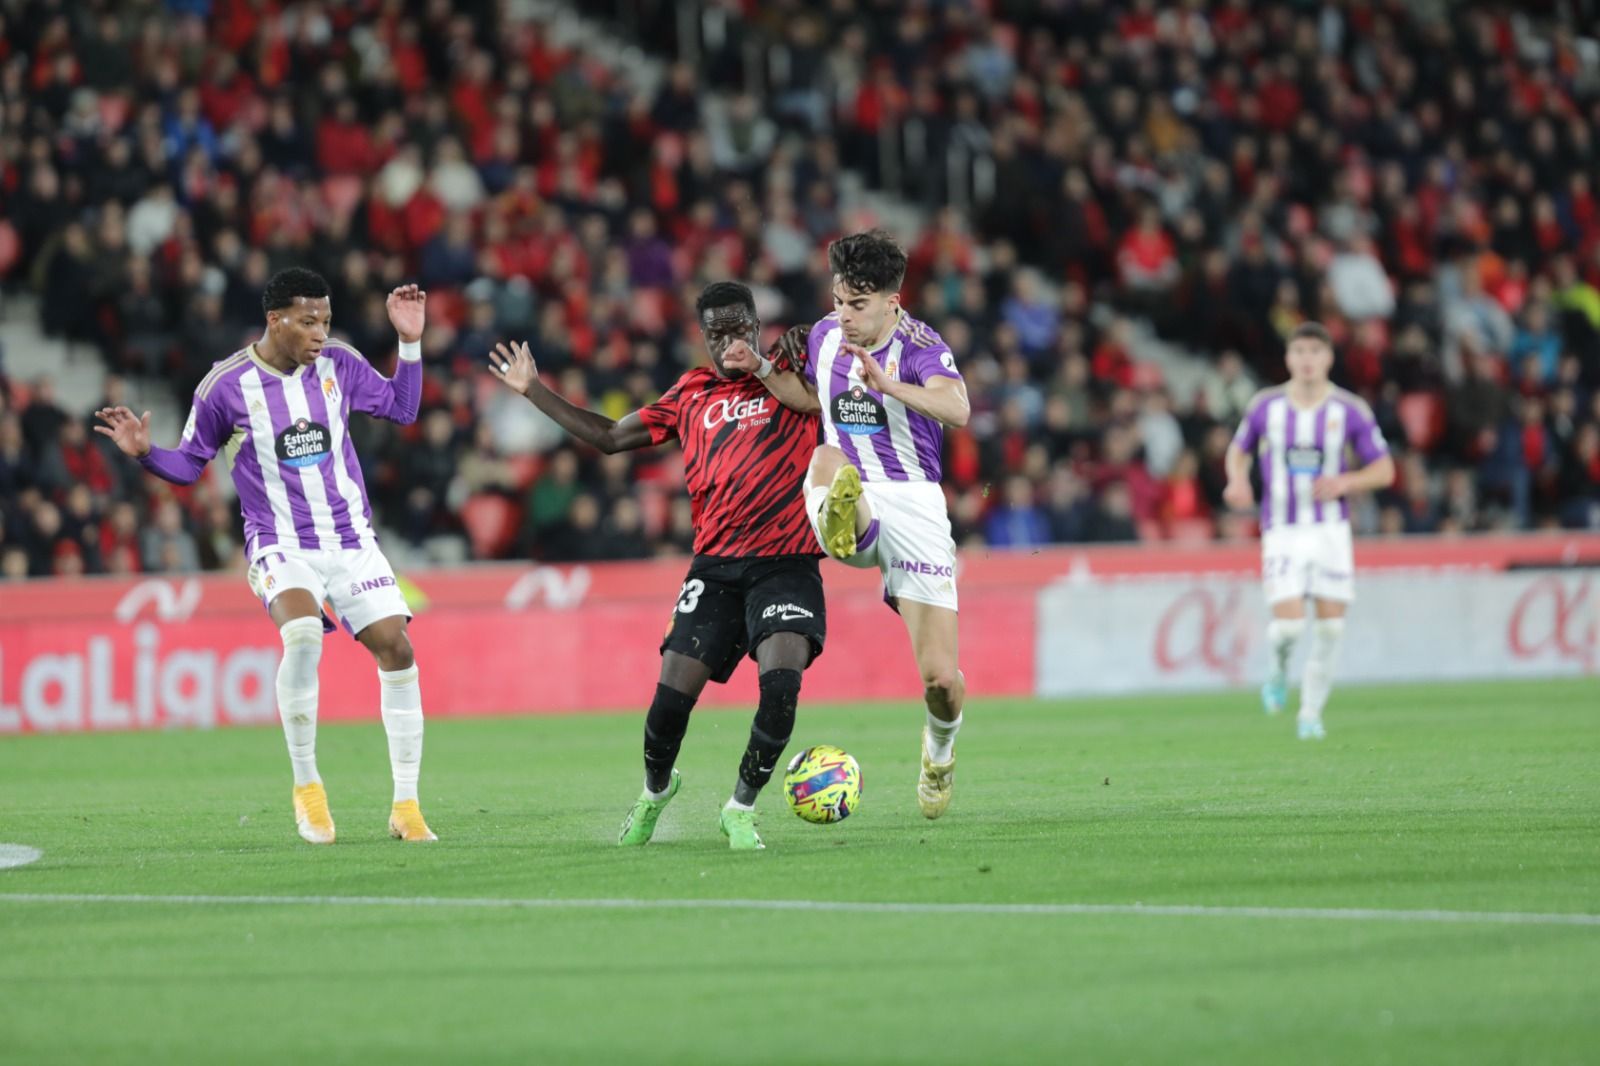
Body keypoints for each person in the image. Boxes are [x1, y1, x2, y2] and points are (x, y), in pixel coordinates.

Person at [95, 269, 436, 843]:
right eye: (308, 322)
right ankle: (308, 789)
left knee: (396, 650)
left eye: (325, 321)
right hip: (279, 541)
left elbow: (402, 409)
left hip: (350, 539)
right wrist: (145, 453)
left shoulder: (341, 365)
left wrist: (409, 340)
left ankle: (406, 805)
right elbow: (188, 465)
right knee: (302, 632)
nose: (320, 334)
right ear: (275, 320)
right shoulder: (224, 386)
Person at [487, 282, 825, 851]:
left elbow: (818, 401)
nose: (728, 340)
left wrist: (770, 360)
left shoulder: (793, 370)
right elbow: (611, 437)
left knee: (782, 681)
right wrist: (534, 391)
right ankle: (654, 792)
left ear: (756, 324)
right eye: (716, 331)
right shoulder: (691, 392)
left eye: (738, 326)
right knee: (670, 700)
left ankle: (740, 808)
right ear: (703, 337)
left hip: (785, 560)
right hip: (715, 566)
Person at [725, 231, 969, 819]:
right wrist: (759, 366)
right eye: (838, 300)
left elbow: (957, 407)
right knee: (828, 458)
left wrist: (890, 387)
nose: (843, 315)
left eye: (857, 305)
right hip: (849, 486)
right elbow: (810, 400)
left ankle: (939, 756)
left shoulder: (919, 344)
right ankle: (847, 526)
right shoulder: (826, 336)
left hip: (913, 504)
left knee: (940, 678)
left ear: (892, 301)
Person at [1223, 321, 1396, 739]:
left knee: (1331, 628)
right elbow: (1238, 451)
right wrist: (1238, 480)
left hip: (1330, 532)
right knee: (1289, 627)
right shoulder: (1266, 406)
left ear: (1328, 358)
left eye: (1314, 352)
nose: (1306, 360)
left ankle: (1310, 714)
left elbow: (1386, 469)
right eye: (1299, 351)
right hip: (1281, 529)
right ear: (1288, 358)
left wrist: (1347, 482)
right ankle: (1278, 672)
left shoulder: (1349, 410)